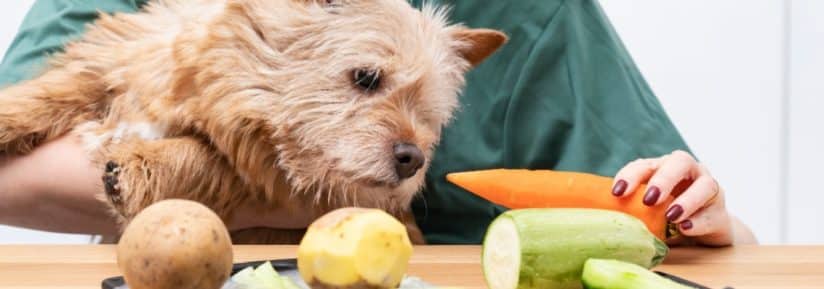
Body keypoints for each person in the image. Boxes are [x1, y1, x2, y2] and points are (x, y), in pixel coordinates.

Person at [0, 0, 756, 246]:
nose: (409, 147)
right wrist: (272, 195)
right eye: (365, 81)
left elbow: (720, 244)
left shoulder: (532, 16)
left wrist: (701, 218)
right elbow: (12, 166)